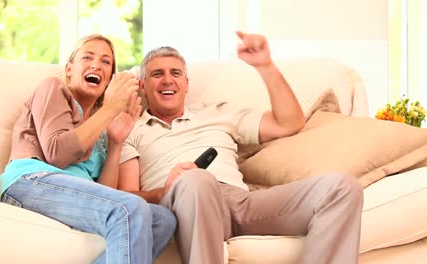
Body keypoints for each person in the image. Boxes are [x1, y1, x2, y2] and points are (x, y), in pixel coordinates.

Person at [118, 31, 364, 264]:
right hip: (181, 202)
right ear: (143, 85)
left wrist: (265, 66)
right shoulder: (131, 128)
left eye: (175, 73)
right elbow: (127, 197)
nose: (168, 80)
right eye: (157, 74)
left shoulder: (216, 112)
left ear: (186, 84)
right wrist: (163, 191)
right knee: (196, 181)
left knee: (342, 188)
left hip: (240, 202)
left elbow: (289, 123)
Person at [0, 34, 176, 264]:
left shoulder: (100, 126)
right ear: (69, 69)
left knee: (162, 219)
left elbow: (106, 194)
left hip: (70, 192)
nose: (96, 65)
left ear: (109, 80)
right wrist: (109, 110)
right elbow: (57, 154)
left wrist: (115, 143)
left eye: (105, 62)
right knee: (130, 209)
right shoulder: (53, 89)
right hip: (29, 182)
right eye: (88, 57)